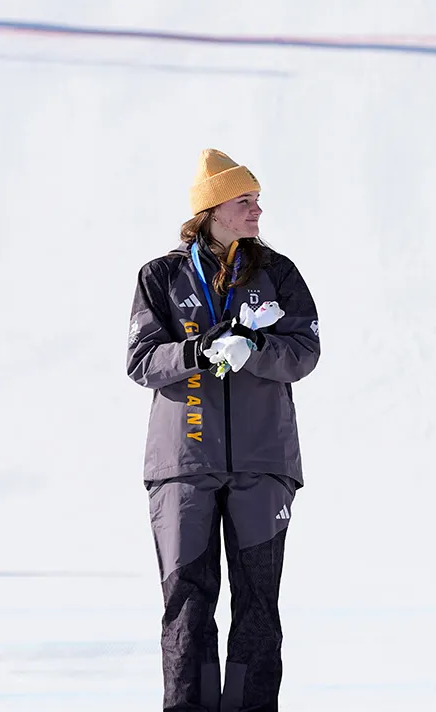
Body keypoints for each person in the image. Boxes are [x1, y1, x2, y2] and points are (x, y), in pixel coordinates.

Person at [126, 149, 321, 712]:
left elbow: (305, 351)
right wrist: (197, 349)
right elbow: (142, 360)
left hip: (264, 463)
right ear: (211, 209)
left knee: (259, 602)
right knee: (187, 603)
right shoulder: (160, 276)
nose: (258, 209)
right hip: (183, 464)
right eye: (246, 200)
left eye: (257, 199)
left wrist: (255, 346)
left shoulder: (277, 272)